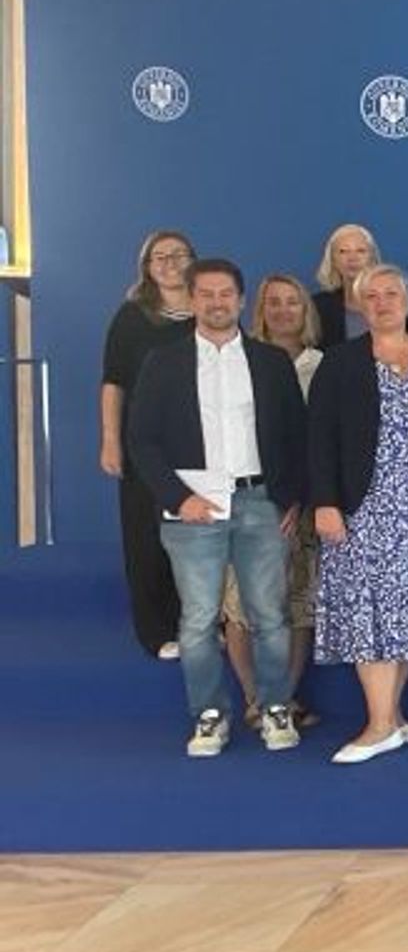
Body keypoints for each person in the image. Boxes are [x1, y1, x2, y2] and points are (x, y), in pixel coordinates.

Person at [127, 258, 309, 756]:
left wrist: (290, 495)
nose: (216, 302)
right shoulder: (163, 362)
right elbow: (141, 440)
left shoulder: (271, 362)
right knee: (199, 618)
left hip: (260, 502)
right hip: (193, 507)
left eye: (226, 293)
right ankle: (209, 716)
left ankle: (275, 708)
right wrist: (177, 498)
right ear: (191, 300)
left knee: (269, 615)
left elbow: (297, 434)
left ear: (241, 300)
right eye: (205, 293)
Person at [308, 263, 408, 764]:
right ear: (359, 305)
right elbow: (320, 439)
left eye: (391, 293)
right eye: (371, 295)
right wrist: (326, 502)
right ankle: (378, 724)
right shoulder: (340, 364)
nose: (382, 302)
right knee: (372, 615)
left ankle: (392, 719)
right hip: (366, 511)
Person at [220, 273, 326, 725]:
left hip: (299, 501)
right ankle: (253, 698)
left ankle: (285, 697)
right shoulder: (237, 362)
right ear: (259, 311)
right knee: (243, 603)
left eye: (293, 303)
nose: (284, 311)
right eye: (274, 303)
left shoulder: (325, 365)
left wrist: (299, 499)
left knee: (298, 603)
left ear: (307, 312)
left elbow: (320, 437)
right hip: (247, 501)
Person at [100, 229, 197, 658]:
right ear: (147, 267)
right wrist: (110, 441)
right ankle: (157, 632)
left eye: (178, 255)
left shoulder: (208, 311)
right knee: (147, 537)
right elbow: (113, 383)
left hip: (199, 443)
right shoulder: (131, 316)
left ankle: (197, 625)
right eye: (160, 257)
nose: (170, 263)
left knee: (199, 537)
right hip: (143, 442)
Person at [310, 222, 398, 347]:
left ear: (372, 258)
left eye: (361, 251)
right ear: (332, 260)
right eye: (343, 251)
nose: (352, 258)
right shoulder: (318, 307)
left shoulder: (394, 301)